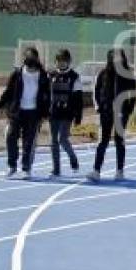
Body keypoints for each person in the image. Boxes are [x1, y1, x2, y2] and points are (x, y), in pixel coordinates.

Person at [0, 47, 51, 179]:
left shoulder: (43, 76)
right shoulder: (17, 74)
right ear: (24, 58)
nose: (30, 59)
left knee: (29, 142)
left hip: (33, 113)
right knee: (10, 136)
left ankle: (26, 168)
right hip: (17, 112)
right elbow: (8, 92)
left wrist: (45, 114)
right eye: (27, 56)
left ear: (37, 59)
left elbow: (47, 96)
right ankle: (12, 165)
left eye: (32, 57)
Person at [86, 49, 136, 182]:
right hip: (106, 112)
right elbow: (96, 90)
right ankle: (96, 171)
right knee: (103, 141)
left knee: (119, 141)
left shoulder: (128, 74)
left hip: (122, 112)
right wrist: (98, 107)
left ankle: (120, 171)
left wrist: (129, 109)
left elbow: (134, 93)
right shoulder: (103, 74)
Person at [48, 49, 83, 177]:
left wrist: (78, 117)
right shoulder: (50, 75)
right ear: (55, 62)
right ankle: (56, 169)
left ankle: (73, 158)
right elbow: (46, 95)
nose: (61, 63)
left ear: (68, 62)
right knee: (53, 141)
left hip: (67, 114)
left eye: (64, 60)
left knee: (62, 139)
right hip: (53, 113)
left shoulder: (74, 77)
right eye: (59, 61)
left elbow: (79, 100)